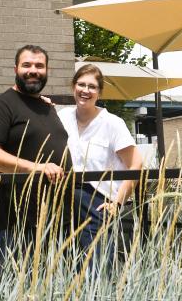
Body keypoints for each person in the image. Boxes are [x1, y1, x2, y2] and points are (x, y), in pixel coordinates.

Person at [0, 45, 71, 265]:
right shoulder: (0, 107)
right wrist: (39, 168)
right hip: (19, 222)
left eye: (39, 66)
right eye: (27, 65)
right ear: (15, 69)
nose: (33, 70)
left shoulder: (47, 107)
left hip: (58, 218)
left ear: (47, 70)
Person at [58, 63, 143, 256]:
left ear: (99, 93)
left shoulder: (112, 123)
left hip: (98, 203)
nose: (85, 91)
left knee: (97, 269)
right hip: (66, 201)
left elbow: (135, 164)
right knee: (69, 266)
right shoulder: (62, 117)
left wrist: (118, 203)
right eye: (81, 85)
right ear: (73, 87)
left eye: (92, 87)